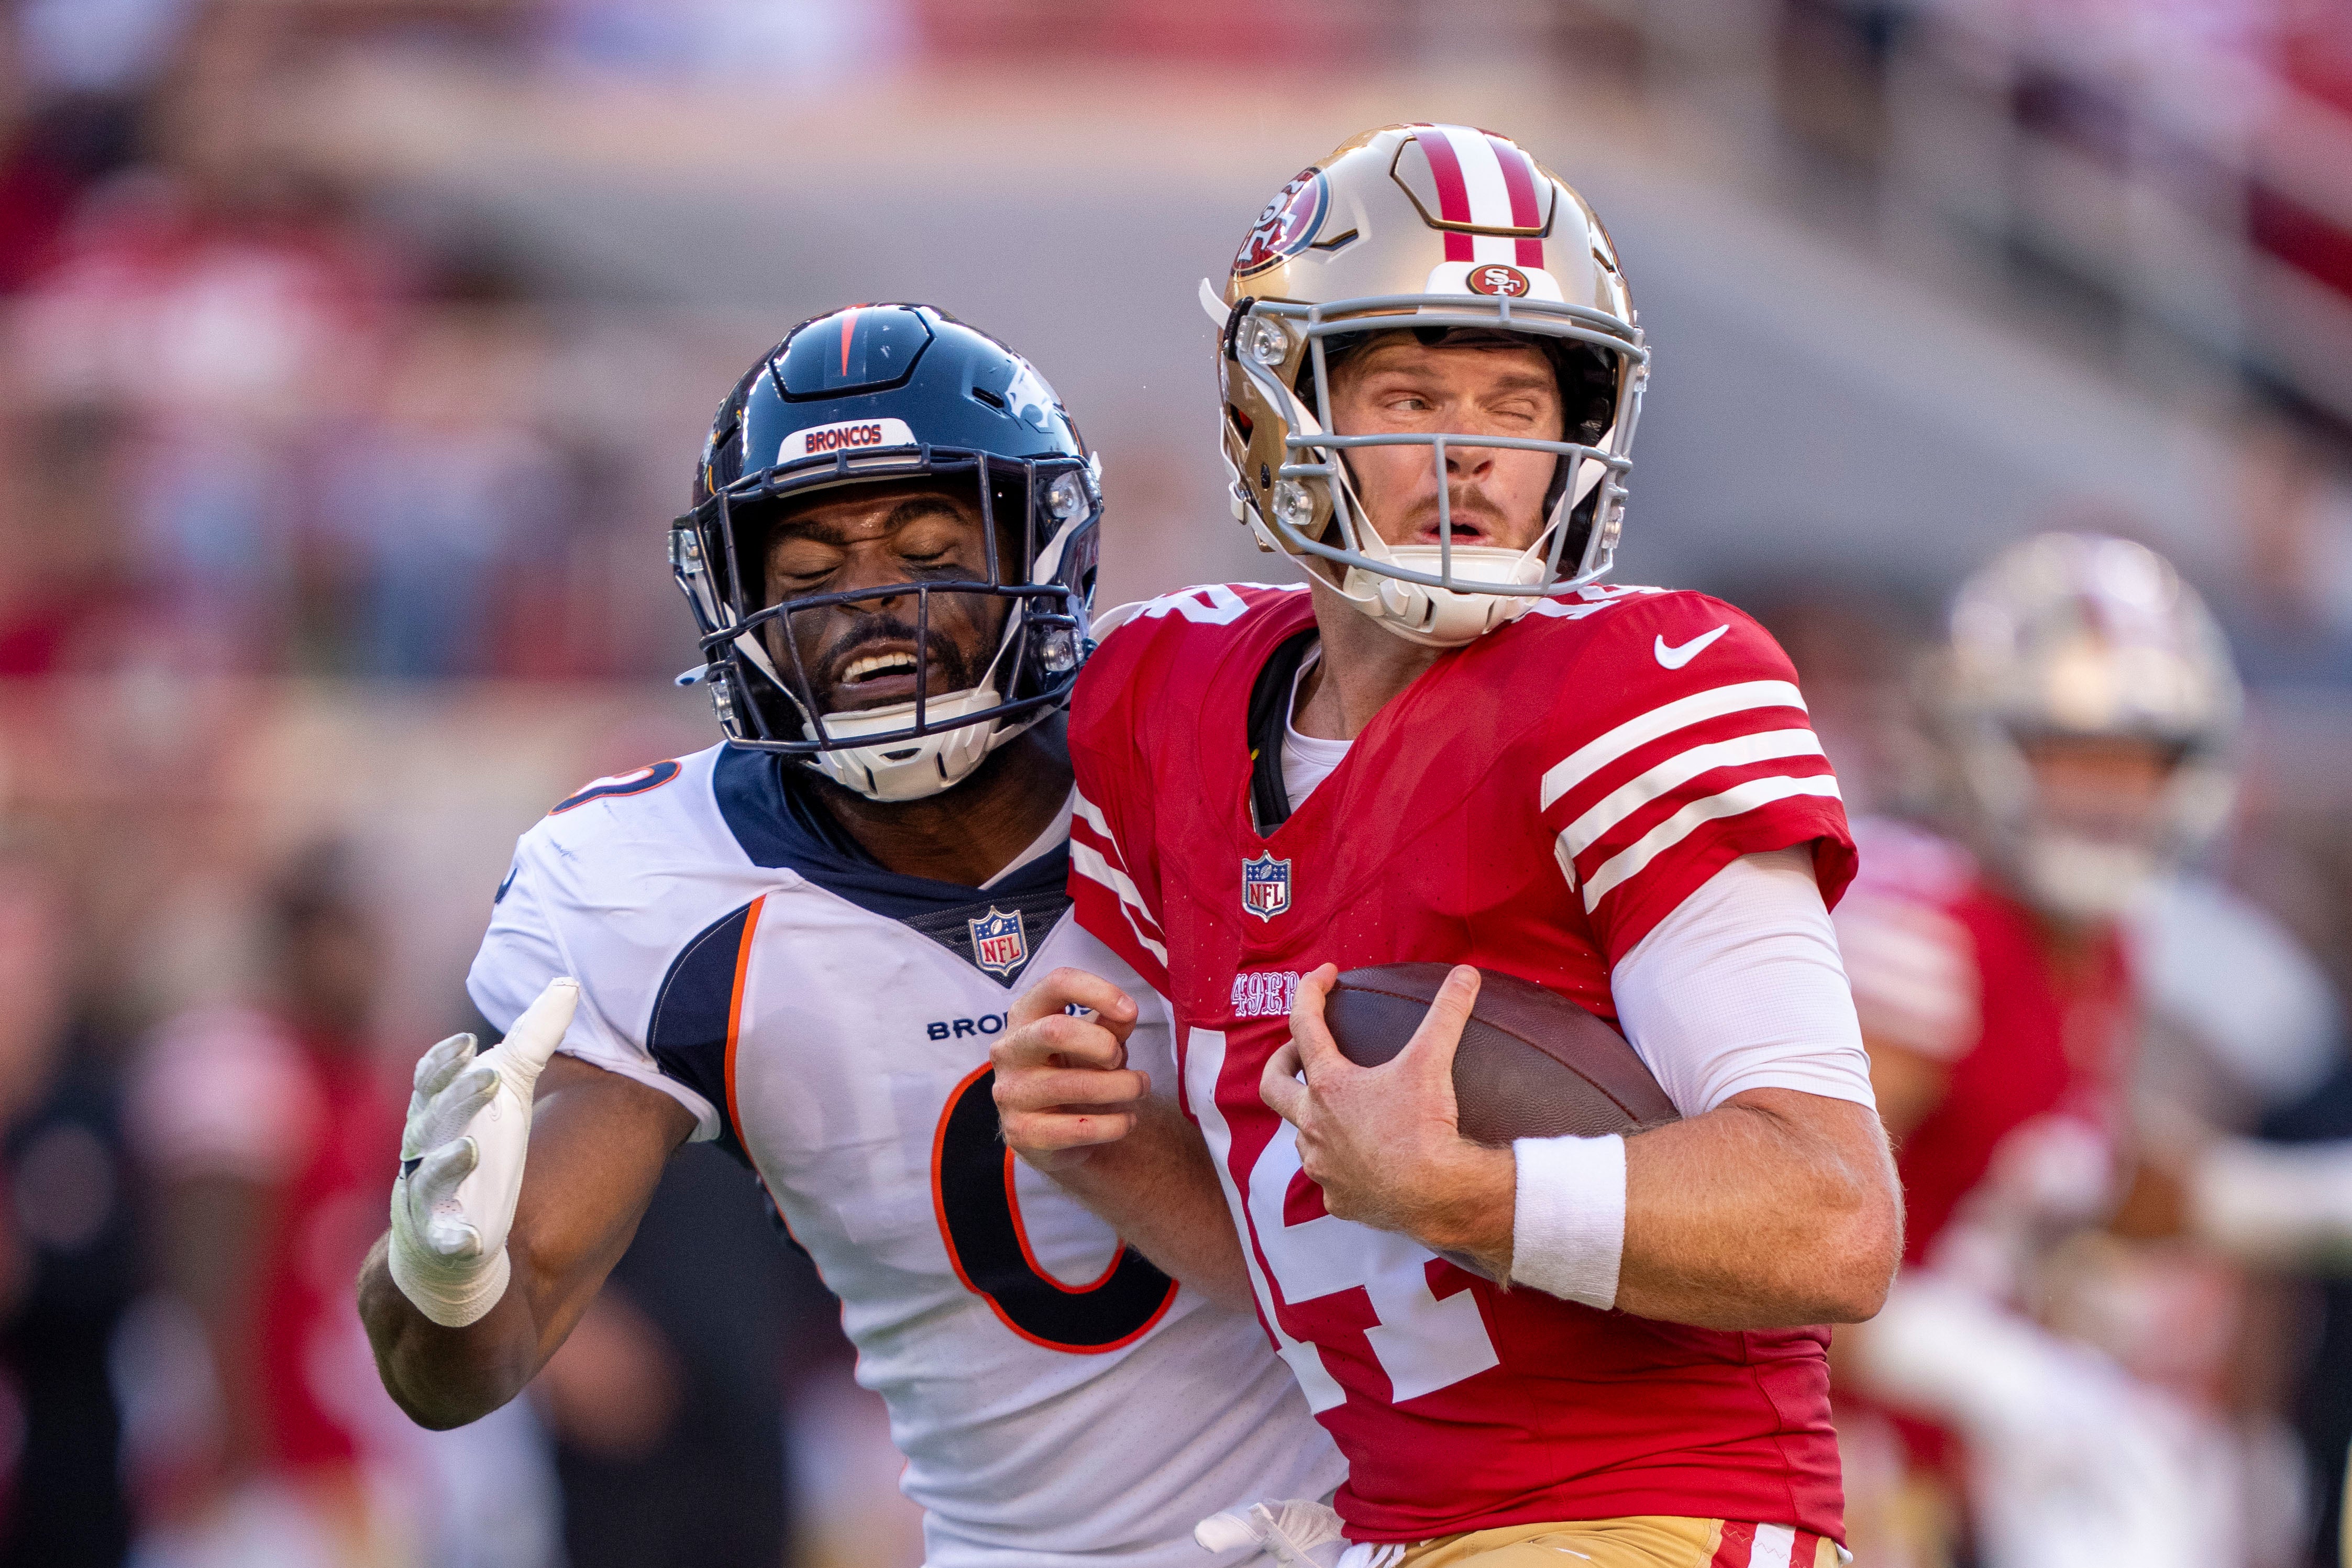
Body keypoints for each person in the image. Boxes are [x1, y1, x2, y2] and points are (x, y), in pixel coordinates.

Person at [993, 125, 1901, 1567]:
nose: (1469, 448)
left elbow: (1833, 1218)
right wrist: (1106, 1138)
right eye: (1408, 392)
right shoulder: (1171, 694)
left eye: (1516, 399)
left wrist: (1471, 1192)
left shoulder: (1637, 683)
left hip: (1652, 1519)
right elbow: (1332, 1250)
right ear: (1273, 410)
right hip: (1405, 1526)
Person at [355, 304, 1343, 1568]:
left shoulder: (1214, 745)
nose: (873, 609)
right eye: (811, 578)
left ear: (1042, 555)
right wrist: (440, 1275)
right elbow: (467, 1365)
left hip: (1388, 1526)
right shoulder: (653, 884)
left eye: (928, 552)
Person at [1827, 532, 2352, 1568]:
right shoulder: (1922, 941)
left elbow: (2077, 1174)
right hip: (1811, 1451)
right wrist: (2001, 1380)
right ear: (1973, 741)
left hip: (1928, 1465)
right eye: (2068, 753)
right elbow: (1769, 1258)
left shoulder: (2096, 947)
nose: (2106, 793)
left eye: (2137, 759)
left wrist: (2302, 1206)